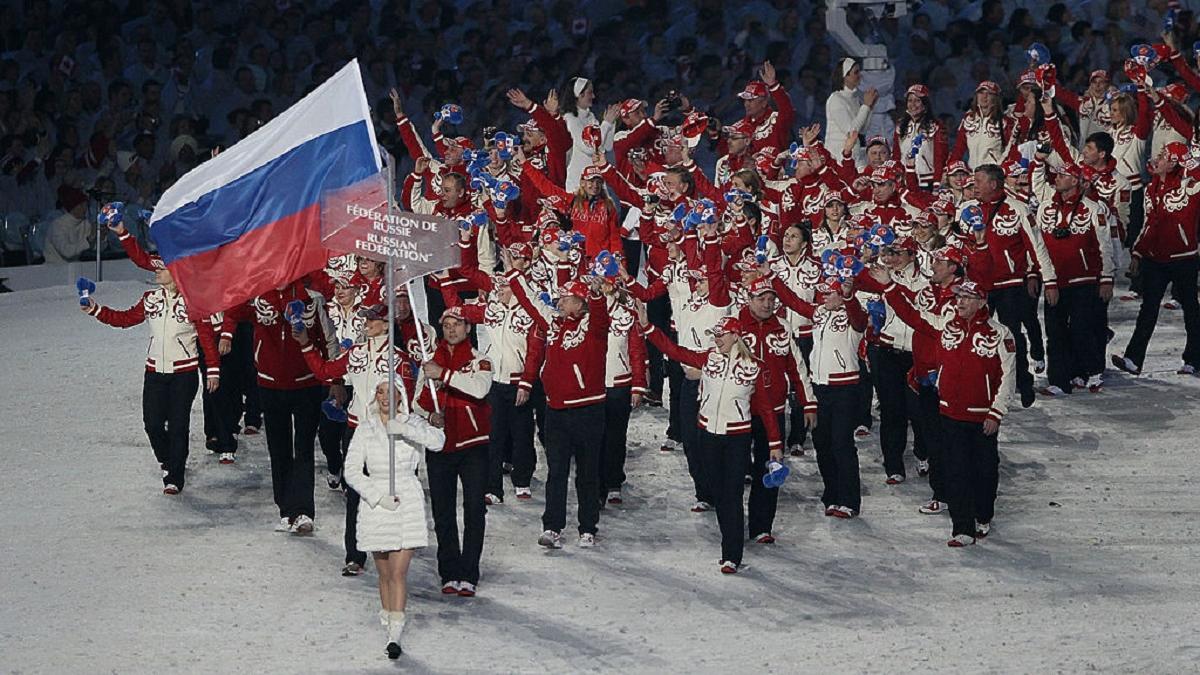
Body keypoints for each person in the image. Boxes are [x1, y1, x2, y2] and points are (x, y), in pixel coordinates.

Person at [638, 309, 781, 574]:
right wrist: (649, 328)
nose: (716, 339)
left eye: (721, 335)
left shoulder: (755, 367)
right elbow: (674, 350)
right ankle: (731, 535)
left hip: (737, 438)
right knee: (720, 493)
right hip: (708, 436)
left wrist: (774, 444)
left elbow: (765, 408)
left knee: (732, 493)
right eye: (715, 335)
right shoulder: (709, 358)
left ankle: (731, 554)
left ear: (736, 335)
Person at [877, 276, 1016, 547]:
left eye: (967, 297)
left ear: (981, 302)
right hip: (949, 413)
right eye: (958, 297)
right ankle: (962, 528)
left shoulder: (1000, 333)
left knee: (985, 471)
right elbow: (914, 316)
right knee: (955, 470)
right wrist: (889, 287)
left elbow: (1008, 376)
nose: (960, 302)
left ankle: (983, 515)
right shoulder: (946, 326)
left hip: (982, 417)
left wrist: (996, 412)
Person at [81, 263, 220, 494]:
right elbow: (125, 318)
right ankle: (168, 460)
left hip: (184, 375)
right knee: (152, 424)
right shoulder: (150, 299)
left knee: (178, 426)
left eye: (162, 268)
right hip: (154, 373)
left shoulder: (193, 302)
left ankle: (175, 477)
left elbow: (206, 338)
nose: (156, 272)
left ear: (176, 273)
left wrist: (213, 369)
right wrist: (96, 310)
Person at [343, 381, 445, 660]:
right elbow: (351, 471)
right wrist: (376, 497)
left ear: (401, 395)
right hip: (377, 503)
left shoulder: (412, 423)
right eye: (380, 391)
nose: (385, 397)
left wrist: (405, 430)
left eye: (391, 391)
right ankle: (388, 618)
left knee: (399, 573)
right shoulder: (365, 429)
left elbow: (438, 442)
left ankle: (395, 635)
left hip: (406, 501)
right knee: (385, 574)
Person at [509, 275, 610, 549]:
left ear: (580, 302)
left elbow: (601, 317)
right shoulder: (553, 324)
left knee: (587, 472)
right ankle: (552, 527)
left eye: (565, 299)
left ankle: (587, 527)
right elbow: (531, 303)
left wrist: (597, 295)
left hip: (589, 409)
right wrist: (513, 274)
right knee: (556, 472)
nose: (560, 303)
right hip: (556, 411)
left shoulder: (594, 326)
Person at [222, 281, 325, 534]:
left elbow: (325, 332)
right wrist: (228, 330)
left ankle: (304, 511)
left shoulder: (311, 293)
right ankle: (286, 510)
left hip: (307, 382)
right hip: (269, 383)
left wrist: (329, 377)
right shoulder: (259, 292)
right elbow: (233, 310)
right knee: (279, 450)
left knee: (304, 449)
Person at [414, 305, 493, 596]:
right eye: (447, 325)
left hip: (474, 445)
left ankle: (469, 572)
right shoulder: (430, 362)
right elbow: (416, 402)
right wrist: (429, 415)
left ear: (468, 328)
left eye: (457, 324)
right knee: (442, 510)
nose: (451, 330)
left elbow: (480, 389)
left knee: (474, 509)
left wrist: (444, 375)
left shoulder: (480, 360)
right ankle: (448, 571)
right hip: (440, 445)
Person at [1113, 143, 1200, 376]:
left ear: (1173, 162)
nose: (1156, 159)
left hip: (1183, 259)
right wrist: (1138, 252)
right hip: (1155, 260)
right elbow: (1148, 223)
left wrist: (1186, 157)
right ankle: (1133, 359)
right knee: (1148, 309)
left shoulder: (1189, 185)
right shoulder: (1151, 188)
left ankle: (1194, 359)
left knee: (1191, 309)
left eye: (1163, 156)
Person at [1028, 158, 1113, 395]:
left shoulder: (1093, 208)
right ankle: (1058, 380)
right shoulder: (1045, 207)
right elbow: (1037, 245)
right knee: (1054, 332)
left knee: (1082, 329)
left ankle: (1092, 372)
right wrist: (1035, 273)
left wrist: (1107, 278)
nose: (1057, 178)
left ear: (1075, 181)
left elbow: (1105, 246)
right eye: (1056, 175)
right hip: (1054, 282)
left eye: (1063, 175)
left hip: (1085, 281)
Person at [561, 77, 617, 191]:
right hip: (578, 182)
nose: (594, 96)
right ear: (579, 94)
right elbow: (589, 148)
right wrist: (606, 123)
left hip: (596, 180)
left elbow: (607, 146)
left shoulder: (590, 116)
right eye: (590, 93)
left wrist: (611, 122)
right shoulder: (570, 119)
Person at [825, 58, 879, 169]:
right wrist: (866, 106)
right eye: (856, 72)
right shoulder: (836, 99)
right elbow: (851, 131)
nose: (860, 75)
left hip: (854, 155)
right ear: (845, 76)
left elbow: (862, 129)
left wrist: (870, 108)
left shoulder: (855, 98)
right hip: (837, 158)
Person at [43, 190, 96, 263]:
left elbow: (95, 247)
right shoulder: (57, 225)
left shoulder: (85, 224)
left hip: (75, 266)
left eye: (85, 205)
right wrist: (89, 240)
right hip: (53, 267)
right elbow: (67, 251)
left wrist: (101, 236)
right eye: (80, 205)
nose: (84, 208)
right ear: (72, 207)